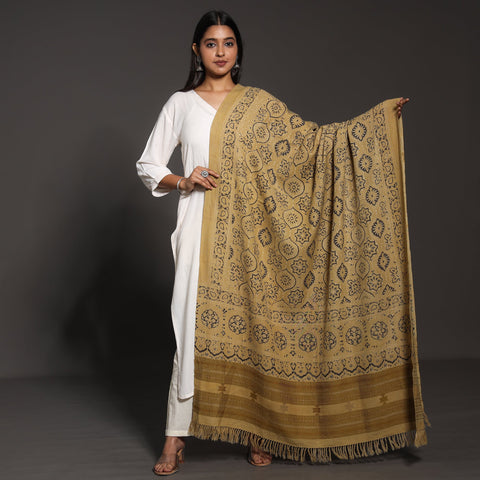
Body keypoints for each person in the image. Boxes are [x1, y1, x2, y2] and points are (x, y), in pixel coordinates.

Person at [137, 9, 418, 476]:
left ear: (238, 50)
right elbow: (149, 165)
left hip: (256, 239)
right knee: (190, 330)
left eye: (229, 43)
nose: (221, 52)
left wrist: (373, 125)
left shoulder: (259, 106)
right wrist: (184, 181)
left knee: (255, 328)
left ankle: (257, 430)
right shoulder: (180, 105)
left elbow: (312, 145)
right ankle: (174, 436)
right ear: (196, 51)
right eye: (211, 43)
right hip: (199, 230)